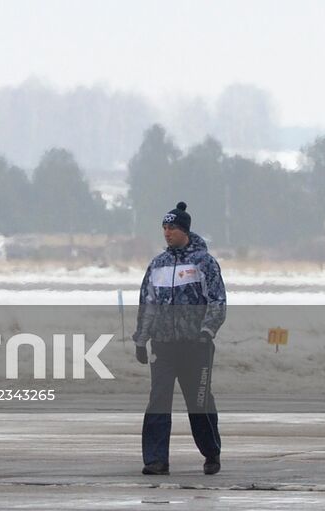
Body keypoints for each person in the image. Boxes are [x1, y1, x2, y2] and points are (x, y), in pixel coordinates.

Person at [132, 201, 226, 476]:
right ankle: (156, 460)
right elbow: (147, 303)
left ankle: (211, 452)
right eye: (164, 227)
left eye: (172, 227)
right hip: (163, 346)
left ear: (184, 229)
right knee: (158, 400)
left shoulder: (203, 262)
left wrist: (207, 332)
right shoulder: (157, 265)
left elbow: (217, 300)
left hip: (196, 346)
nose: (166, 232)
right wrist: (141, 338)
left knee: (199, 402)